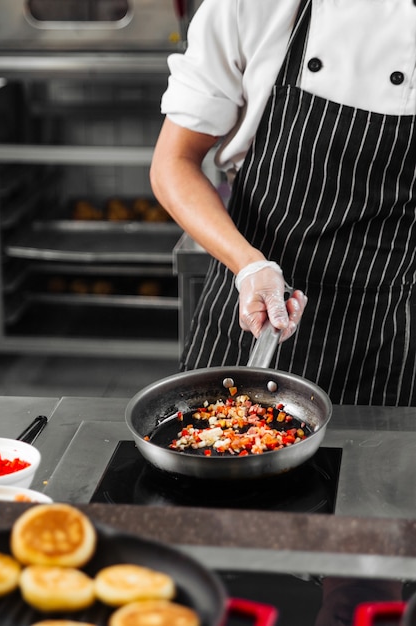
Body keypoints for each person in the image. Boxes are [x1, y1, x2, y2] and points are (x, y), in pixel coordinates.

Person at [150, 0, 416, 406]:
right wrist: (249, 265)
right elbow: (173, 163)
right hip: (252, 311)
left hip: (391, 339)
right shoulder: (255, 6)